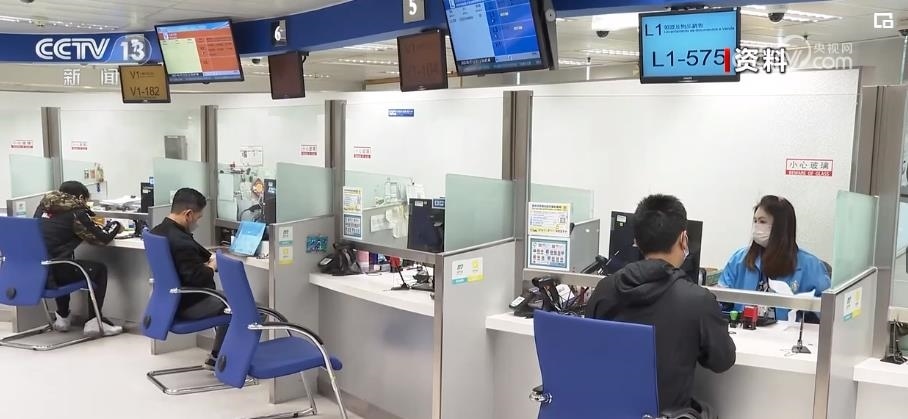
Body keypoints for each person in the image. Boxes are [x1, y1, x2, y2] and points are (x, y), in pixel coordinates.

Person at [585, 194, 735, 417]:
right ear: (684, 239)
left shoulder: (604, 290)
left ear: (636, 241)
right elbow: (722, 360)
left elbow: (590, 350)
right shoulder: (697, 300)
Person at [718, 195, 831, 321]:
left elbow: (826, 313)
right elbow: (720, 302)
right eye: (755, 221)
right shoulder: (739, 259)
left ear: (780, 227)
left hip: (788, 331)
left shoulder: (810, 265)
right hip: (743, 329)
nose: (756, 226)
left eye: (762, 222)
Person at [35, 180, 124, 336]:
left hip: (37, 271)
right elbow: (101, 238)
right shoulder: (76, 212)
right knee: (98, 270)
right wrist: (116, 225)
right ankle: (94, 321)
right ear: (81, 197)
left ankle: (62, 317)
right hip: (55, 272)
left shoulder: (42, 208)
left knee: (63, 261)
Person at [150, 188, 223, 366]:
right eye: (198, 217)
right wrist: (212, 266)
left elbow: (192, 254)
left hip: (168, 303)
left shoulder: (158, 232)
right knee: (250, 308)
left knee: (232, 302)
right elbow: (197, 278)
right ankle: (226, 361)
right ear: (188, 214)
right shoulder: (181, 241)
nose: (198, 222)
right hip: (190, 305)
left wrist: (208, 258)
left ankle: (219, 356)